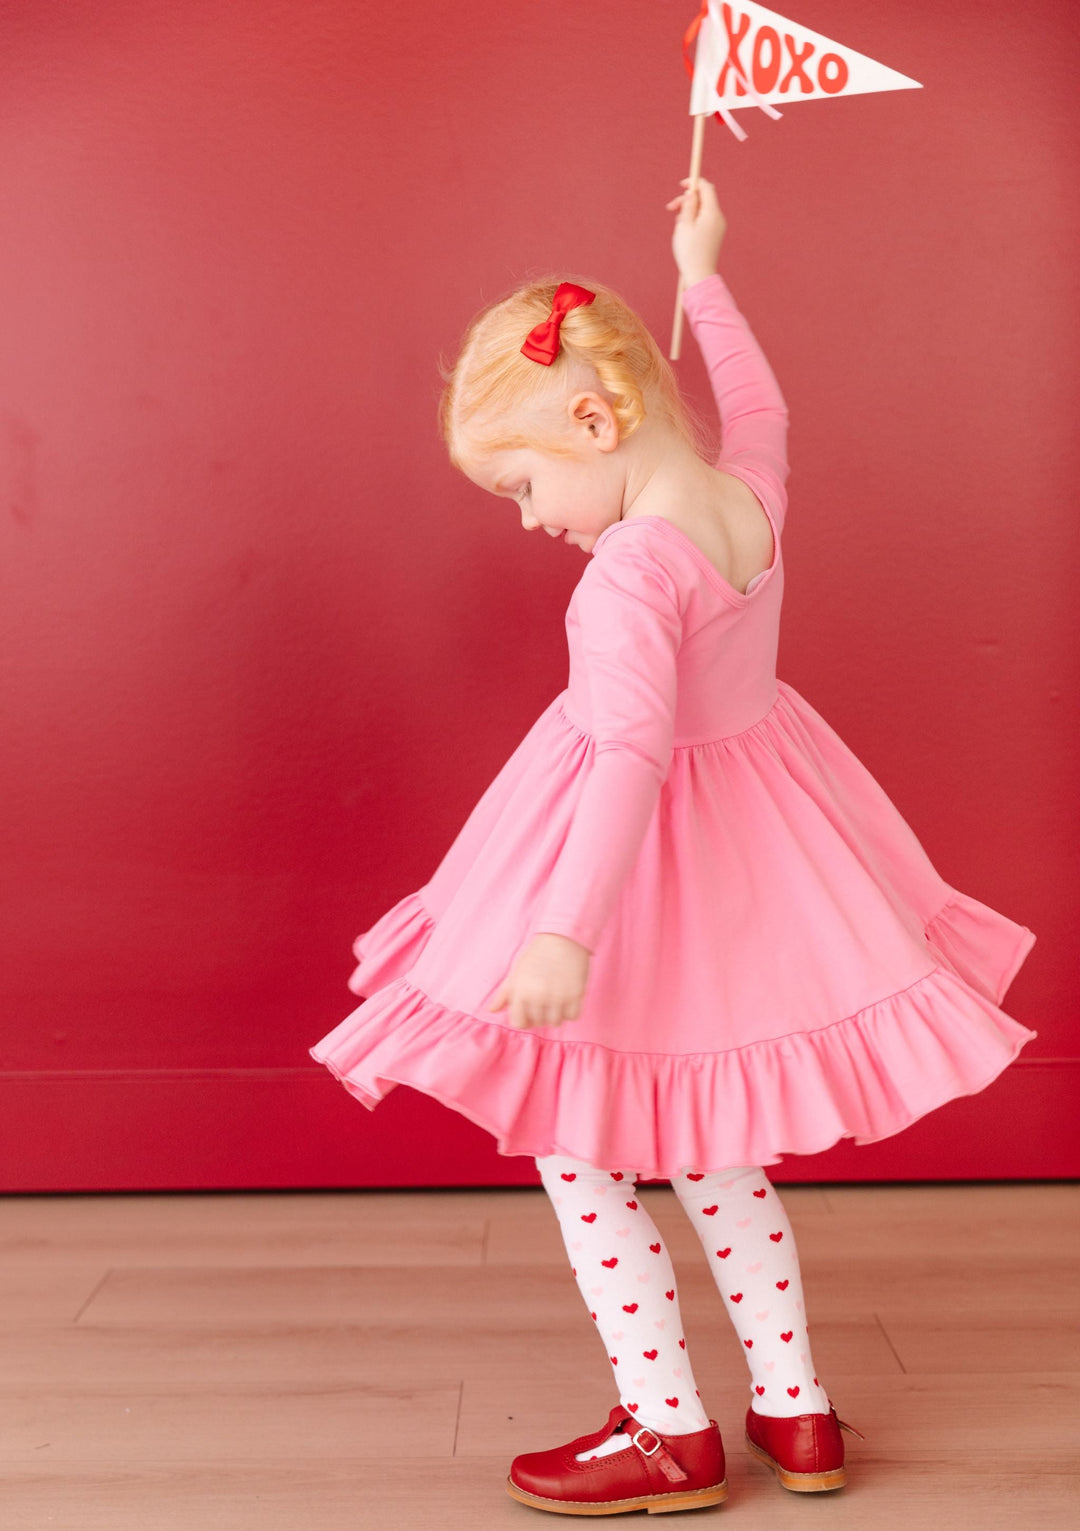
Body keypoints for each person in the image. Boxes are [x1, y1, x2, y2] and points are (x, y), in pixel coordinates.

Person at [308, 177, 1038, 1515]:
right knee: (717, 1141)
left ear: (597, 419)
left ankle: (665, 1428)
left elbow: (631, 761)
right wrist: (704, 275)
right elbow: (762, 411)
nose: (530, 520)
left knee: (579, 1149)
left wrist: (560, 930)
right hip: (760, 846)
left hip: (634, 872)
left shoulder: (627, 579)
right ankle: (797, 1413)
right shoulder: (748, 497)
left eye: (526, 485)